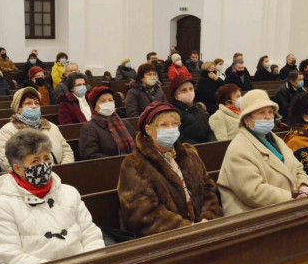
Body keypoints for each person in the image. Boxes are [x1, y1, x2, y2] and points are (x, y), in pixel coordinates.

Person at [0, 130, 104, 264]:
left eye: (46, 158)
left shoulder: (69, 192)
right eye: (35, 161)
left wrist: (91, 263)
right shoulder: (4, 205)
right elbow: (9, 258)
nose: (43, 165)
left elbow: (91, 234)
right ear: (18, 169)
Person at [117, 101, 222, 236]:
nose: (170, 129)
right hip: (170, 238)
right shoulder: (135, 164)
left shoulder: (189, 154)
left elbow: (208, 189)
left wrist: (207, 218)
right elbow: (143, 213)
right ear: (149, 130)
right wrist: (188, 228)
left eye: (174, 124)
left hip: (204, 228)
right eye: (163, 125)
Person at [217, 90, 308, 215]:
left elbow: (298, 168)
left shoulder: (276, 140)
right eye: (261, 113)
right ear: (246, 120)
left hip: (287, 207)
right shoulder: (238, 148)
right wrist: (292, 196)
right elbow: (253, 192)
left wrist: (304, 187)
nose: (268, 117)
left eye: (270, 112)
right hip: (254, 215)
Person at [0, 87, 74, 171]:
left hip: (60, 173)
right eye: (28, 103)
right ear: (18, 108)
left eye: (37, 103)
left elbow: (66, 150)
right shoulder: (7, 130)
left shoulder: (51, 126)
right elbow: (6, 161)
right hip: (29, 176)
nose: (34, 106)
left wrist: (64, 169)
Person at [79, 86, 134, 160]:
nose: (108, 103)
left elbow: (137, 146)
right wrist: (116, 160)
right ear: (95, 107)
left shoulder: (124, 123)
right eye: (103, 101)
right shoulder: (89, 128)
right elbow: (89, 154)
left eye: (110, 100)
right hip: (108, 165)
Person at [170, 75, 215, 144]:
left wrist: (211, 143)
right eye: (184, 90)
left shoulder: (198, 109)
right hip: (190, 148)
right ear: (176, 95)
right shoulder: (173, 113)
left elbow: (209, 131)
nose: (189, 92)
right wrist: (200, 146)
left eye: (191, 89)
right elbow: (179, 137)